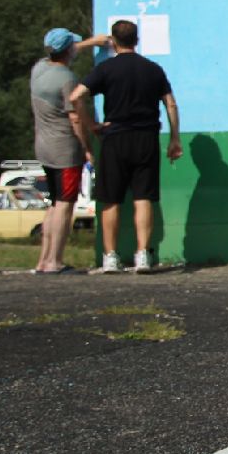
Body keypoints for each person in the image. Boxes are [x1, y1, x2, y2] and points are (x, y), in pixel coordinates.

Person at [70, 19, 180, 273]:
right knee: (143, 198)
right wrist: (174, 137)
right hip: (146, 138)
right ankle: (142, 254)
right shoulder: (153, 69)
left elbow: (76, 96)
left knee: (110, 199)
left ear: (114, 41)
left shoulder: (106, 69)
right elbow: (170, 104)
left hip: (114, 137)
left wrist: (92, 125)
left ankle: (110, 256)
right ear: (137, 40)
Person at [30, 27, 109, 274]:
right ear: (68, 51)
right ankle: (55, 261)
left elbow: (58, 52)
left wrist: (87, 44)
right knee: (65, 204)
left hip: (43, 147)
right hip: (65, 150)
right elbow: (75, 117)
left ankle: (44, 260)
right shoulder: (67, 80)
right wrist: (88, 144)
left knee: (54, 203)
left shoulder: (38, 69)